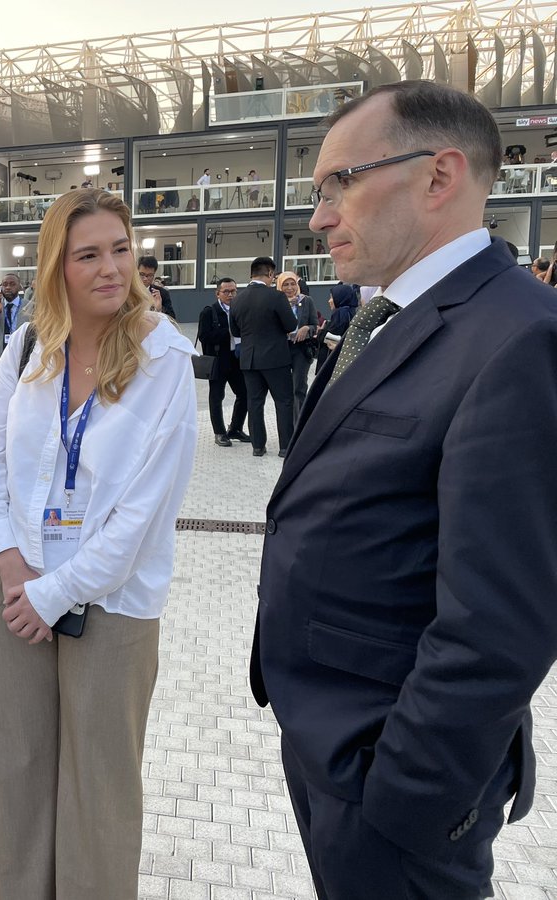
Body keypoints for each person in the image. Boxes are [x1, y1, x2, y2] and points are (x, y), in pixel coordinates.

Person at [250, 80, 557, 900]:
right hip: (332, 743)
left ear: (438, 176)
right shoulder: (390, 317)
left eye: (340, 183)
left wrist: (405, 797)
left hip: (393, 778)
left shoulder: (519, 337)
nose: (319, 217)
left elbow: (501, 623)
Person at [0, 188, 197, 899]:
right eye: (88, 254)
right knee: (19, 765)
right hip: (13, 582)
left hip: (110, 597)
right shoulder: (28, 344)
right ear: (56, 267)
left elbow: (143, 513)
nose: (110, 268)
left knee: (100, 785)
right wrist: (13, 567)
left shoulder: (164, 358)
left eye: (121, 250)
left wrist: (54, 593)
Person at [229, 255, 297, 457]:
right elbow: (291, 325)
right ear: (269, 273)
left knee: (255, 403)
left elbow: (235, 331)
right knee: (284, 402)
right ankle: (285, 447)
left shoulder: (237, 299)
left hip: (249, 359)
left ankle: (258, 446)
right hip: (276, 358)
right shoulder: (276, 297)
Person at [196, 277, 249, 446]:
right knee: (217, 396)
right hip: (218, 360)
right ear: (217, 293)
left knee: (245, 393)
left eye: (233, 291)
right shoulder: (209, 312)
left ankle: (235, 428)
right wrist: (229, 332)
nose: (230, 295)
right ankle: (219, 432)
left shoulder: (240, 309)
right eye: (226, 291)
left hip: (237, 358)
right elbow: (204, 336)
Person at [277, 271, 317, 425]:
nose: (290, 288)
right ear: (280, 286)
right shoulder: (277, 303)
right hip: (282, 349)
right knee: (285, 390)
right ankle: (287, 426)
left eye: (292, 284)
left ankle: (300, 425)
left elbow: (315, 324)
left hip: (301, 349)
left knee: (299, 388)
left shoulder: (306, 301)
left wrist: (307, 328)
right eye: (285, 285)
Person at [137, 255, 177, 320]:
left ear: (154, 274)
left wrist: (159, 310)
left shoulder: (162, 293)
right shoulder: (128, 291)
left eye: (149, 275)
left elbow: (172, 319)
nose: (145, 279)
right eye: (142, 274)